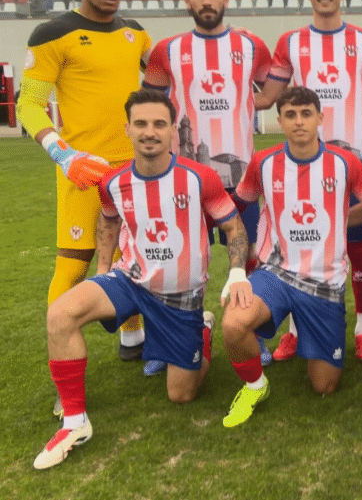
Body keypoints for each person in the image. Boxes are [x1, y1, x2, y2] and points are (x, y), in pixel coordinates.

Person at [32, 89, 249, 469]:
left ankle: (203, 331)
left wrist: (236, 272)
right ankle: (74, 422)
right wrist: (102, 270)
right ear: (127, 129)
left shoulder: (200, 177)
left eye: (159, 124)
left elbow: (233, 227)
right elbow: (108, 221)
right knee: (61, 313)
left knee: (181, 395)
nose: (150, 132)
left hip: (179, 294)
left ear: (172, 132)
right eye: (141, 124)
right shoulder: (113, 182)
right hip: (129, 279)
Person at [218, 87, 362, 428]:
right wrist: (237, 270)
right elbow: (234, 212)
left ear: (320, 118)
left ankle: (306, 335)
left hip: (323, 283)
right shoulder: (263, 162)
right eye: (290, 115)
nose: (299, 121)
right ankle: (254, 385)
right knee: (233, 322)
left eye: (306, 114)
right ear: (280, 121)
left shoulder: (345, 163)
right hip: (275, 273)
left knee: (325, 386)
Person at [17, 0, 152, 385]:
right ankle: (63, 360)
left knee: (139, 257)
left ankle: (133, 338)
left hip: (135, 171)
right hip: (83, 171)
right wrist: (64, 154)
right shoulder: (52, 33)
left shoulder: (135, 33)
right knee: (73, 264)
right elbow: (29, 105)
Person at [142, 0, 273, 374]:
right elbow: (151, 106)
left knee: (249, 255)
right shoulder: (167, 50)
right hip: (184, 178)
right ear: (187, 0)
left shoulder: (251, 47)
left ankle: (255, 335)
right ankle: (177, 338)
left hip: (242, 178)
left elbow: (269, 93)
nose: (206, 1)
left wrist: (249, 108)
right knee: (180, 261)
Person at [258, 0, 362, 362]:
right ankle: (295, 328)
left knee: (358, 249)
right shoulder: (290, 42)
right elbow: (269, 96)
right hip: (301, 163)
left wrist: (354, 114)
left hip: (351, 161)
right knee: (300, 245)